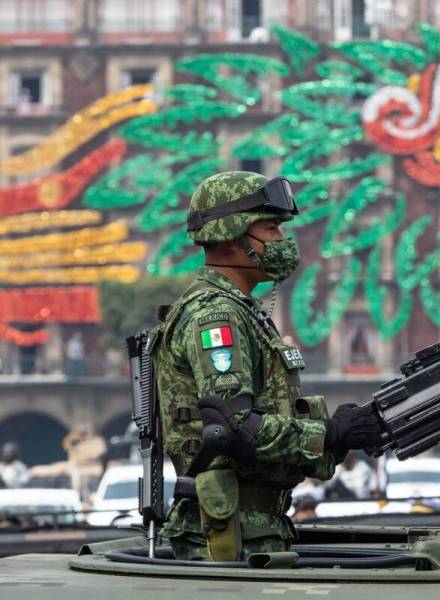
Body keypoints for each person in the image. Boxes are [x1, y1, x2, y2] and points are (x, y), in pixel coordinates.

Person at [154, 171, 383, 561]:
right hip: (229, 536)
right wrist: (330, 433)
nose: (283, 240)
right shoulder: (217, 316)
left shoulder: (242, 311)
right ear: (232, 236)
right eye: (272, 228)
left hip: (254, 527)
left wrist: (340, 431)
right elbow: (238, 429)